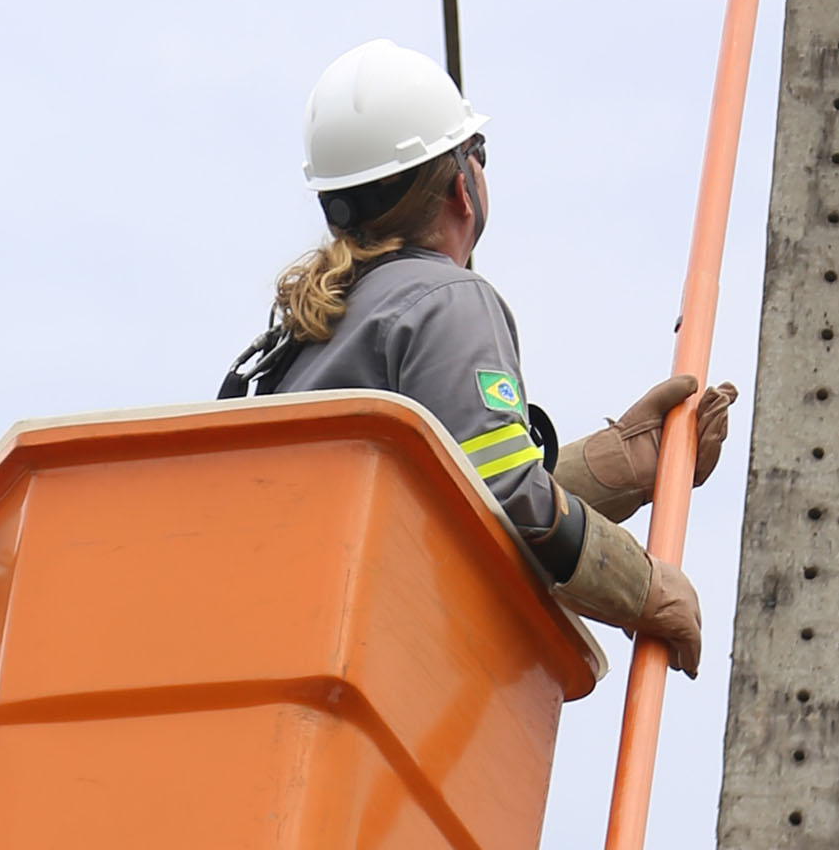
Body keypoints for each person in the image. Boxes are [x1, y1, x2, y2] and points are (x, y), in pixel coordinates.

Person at [219, 39, 733, 674]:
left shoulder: (307, 335)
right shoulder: (448, 301)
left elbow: (455, 503)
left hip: (293, 645)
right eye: (477, 154)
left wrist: (619, 464)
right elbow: (512, 500)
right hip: (379, 667)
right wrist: (645, 587)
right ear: (462, 185)